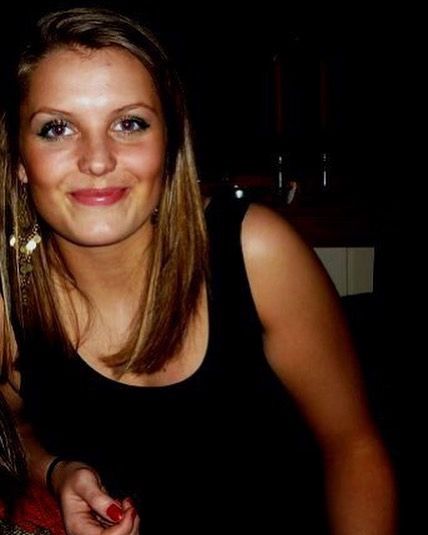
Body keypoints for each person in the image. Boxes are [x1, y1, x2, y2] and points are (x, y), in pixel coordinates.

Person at [0, 7, 396, 534]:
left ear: (169, 145)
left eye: (129, 123)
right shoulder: (9, 293)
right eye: (57, 128)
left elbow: (354, 448)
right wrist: (56, 471)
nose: (97, 160)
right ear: (20, 160)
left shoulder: (254, 253)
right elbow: (12, 425)